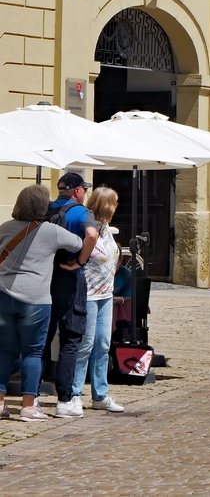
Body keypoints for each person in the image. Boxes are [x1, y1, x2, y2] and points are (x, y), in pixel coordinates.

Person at [0, 185, 83, 422]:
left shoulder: (5, 227)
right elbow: (79, 243)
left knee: (4, 351)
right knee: (33, 352)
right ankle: (29, 406)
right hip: (36, 299)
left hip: (4, 295)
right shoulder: (51, 231)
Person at [44, 172, 99, 420]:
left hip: (43, 278)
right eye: (84, 189)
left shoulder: (43, 209)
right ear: (77, 191)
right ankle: (64, 400)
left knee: (40, 339)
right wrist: (80, 261)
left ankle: (31, 396)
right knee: (70, 339)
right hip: (69, 277)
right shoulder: (81, 212)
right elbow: (92, 235)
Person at [71, 186, 124, 413]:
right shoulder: (88, 227)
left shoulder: (106, 230)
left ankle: (100, 394)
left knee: (102, 344)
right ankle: (74, 394)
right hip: (89, 294)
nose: (117, 206)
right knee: (85, 344)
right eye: (115, 202)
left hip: (106, 294)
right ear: (108, 205)